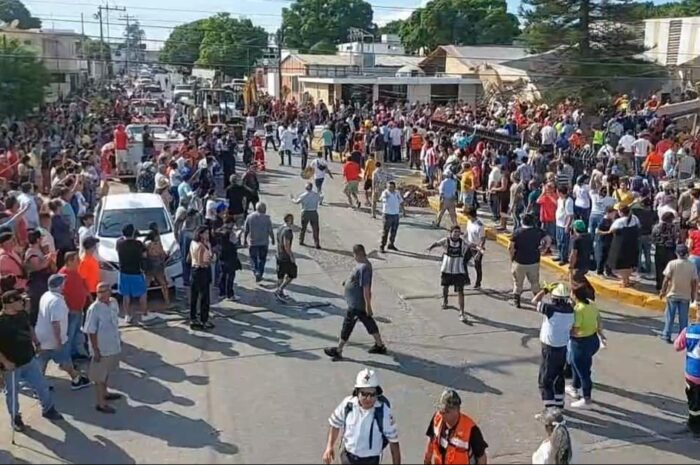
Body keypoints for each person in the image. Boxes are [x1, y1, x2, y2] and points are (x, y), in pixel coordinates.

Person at [0, 289, 63, 432]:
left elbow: (29, 328)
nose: (23, 302)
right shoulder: (1, 322)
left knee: (41, 385)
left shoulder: (22, 314)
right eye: (19, 300)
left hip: (29, 359)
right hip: (12, 366)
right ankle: (15, 418)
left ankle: (48, 409)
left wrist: (37, 342)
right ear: (9, 304)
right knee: (12, 393)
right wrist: (5, 362)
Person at [323, 368, 401, 465]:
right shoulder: (348, 405)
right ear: (357, 393)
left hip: (371, 461)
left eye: (372, 394)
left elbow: (394, 442)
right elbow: (335, 424)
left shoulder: (383, 412)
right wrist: (329, 447)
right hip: (348, 458)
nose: (368, 398)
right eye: (364, 394)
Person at [324, 244, 388, 361]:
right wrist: (347, 282)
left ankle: (338, 350)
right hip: (356, 303)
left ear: (358, 254)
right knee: (368, 322)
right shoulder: (361, 265)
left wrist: (368, 306)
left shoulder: (365, 268)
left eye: (354, 255)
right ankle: (380, 345)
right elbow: (355, 277)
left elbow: (366, 288)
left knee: (348, 325)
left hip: (357, 304)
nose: (354, 257)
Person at [35, 274, 91, 390]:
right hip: (54, 338)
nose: (64, 286)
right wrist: (59, 341)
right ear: (60, 286)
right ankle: (76, 380)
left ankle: (39, 386)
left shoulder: (45, 295)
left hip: (41, 335)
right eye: (63, 283)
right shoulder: (57, 302)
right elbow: (55, 323)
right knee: (65, 361)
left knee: (42, 360)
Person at [532, 283, 574, 412]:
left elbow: (534, 301)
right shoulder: (571, 310)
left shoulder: (550, 309)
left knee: (545, 381)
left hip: (549, 349)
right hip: (563, 348)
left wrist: (545, 290)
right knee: (558, 378)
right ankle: (559, 405)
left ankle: (551, 411)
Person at [83, 282, 122, 414]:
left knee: (107, 372)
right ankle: (101, 404)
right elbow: (91, 331)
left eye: (105, 291)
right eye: (99, 292)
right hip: (101, 348)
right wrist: (96, 350)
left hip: (113, 345)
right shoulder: (94, 309)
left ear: (110, 292)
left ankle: (105, 393)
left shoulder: (113, 303)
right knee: (99, 377)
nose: (102, 294)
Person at [424, 389, 488, 465]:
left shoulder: (471, 429)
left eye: (446, 411)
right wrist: (427, 460)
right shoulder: (437, 419)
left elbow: (481, 457)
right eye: (441, 409)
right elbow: (431, 440)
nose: (442, 413)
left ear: (457, 410)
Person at [566, 286, 604, 409]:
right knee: (576, 364)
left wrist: (565, 331)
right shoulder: (591, 304)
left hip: (580, 344)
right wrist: (601, 333)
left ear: (575, 296)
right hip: (593, 340)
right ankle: (574, 386)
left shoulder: (578, 310)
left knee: (583, 372)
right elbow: (598, 318)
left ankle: (587, 399)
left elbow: (575, 331)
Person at [427, 226, 471, 322]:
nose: (456, 234)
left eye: (458, 232)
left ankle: (462, 312)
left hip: (458, 270)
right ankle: (445, 300)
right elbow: (437, 243)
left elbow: (471, 245)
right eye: (455, 232)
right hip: (447, 268)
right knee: (445, 287)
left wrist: (479, 248)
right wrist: (430, 247)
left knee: (461, 291)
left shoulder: (462, 243)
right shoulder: (445, 241)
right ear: (450, 233)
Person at [509, 213, 551, 308]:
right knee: (535, 283)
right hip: (534, 261)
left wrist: (512, 258)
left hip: (519, 261)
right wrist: (544, 249)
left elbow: (510, 247)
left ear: (522, 221)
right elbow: (548, 239)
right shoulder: (538, 231)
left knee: (517, 283)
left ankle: (516, 301)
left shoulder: (517, 232)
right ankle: (538, 303)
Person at [660, 244, 698, 343]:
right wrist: (693, 295)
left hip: (672, 294)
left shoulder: (672, 264)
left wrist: (662, 291)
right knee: (683, 319)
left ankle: (666, 335)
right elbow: (694, 282)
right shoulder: (691, 265)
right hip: (685, 296)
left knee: (670, 316)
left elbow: (666, 279)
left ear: (676, 253)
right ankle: (682, 338)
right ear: (687, 253)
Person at [58, 251, 91, 361]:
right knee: (69, 336)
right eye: (77, 260)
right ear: (69, 261)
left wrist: (88, 297)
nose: (79, 262)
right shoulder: (63, 275)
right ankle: (67, 359)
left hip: (78, 309)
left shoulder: (75, 272)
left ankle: (76, 353)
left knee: (77, 333)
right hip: (70, 311)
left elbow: (82, 286)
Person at [116, 224, 149, 325]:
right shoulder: (138, 244)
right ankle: (144, 313)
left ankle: (127, 315)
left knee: (126, 295)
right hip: (136, 272)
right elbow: (145, 255)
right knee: (142, 293)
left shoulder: (119, 243)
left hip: (123, 272)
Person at [673, 321, 700, 436]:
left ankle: (695, 427)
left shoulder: (689, 331)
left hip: (693, 374)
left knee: (693, 402)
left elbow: (677, 346)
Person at [608, 205, 640, 287]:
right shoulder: (635, 218)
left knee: (622, 264)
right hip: (632, 243)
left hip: (621, 245)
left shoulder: (619, 221)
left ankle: (624, 281)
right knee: (629, 262)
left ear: (621, 212)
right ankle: (627, 279)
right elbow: (639, 226)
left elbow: (611, 230)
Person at [243, 202, 275, 282]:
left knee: (253, 258)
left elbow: (246, 230)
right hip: (264, 242)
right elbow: (270, 230)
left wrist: (244, 240)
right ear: (263, 209)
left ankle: (256, 271)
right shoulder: (267, 218)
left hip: (253, 242)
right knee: (262, 259)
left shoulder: (249, 217)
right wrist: (273, 239)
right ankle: (260, 273)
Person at [189, 226, 213, 330]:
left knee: (194, 295)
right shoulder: (200, 246)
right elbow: (201, 262)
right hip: (201, 271)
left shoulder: (193, 243)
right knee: (204, 296)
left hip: (194, 270)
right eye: (206, 233)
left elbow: (189, 257)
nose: (208, 235)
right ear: (201, 234)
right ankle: (204, 319)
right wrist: (210, 259)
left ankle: (193, 317)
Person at [652, 211, 680, 291]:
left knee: (659, 268)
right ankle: (668, 286)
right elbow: (676, 237)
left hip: (659, 249)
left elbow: (653, 237)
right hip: (670, 249)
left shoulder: (656, 227)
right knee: (669, 269)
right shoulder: (674, 227)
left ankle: (659, 285)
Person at [144, 223, 170, 306]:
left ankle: (144, 302)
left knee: (146, 285)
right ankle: (167, 301)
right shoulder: (157, 244)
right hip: (158, 265)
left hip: (149, 265)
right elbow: (162, 253)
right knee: (163, 284)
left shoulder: (146, 244)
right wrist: (166, 254)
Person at [291, 182, 321, 249]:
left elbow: (296, 202)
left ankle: (301, 241)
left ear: (306, 188)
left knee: (303, 228)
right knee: (315, 229)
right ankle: (317, 243)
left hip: (305, 212)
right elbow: (320, 199)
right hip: (314, 212)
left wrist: (292, 199)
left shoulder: (303, 195)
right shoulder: (316, 195)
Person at [275, 213, 297, 302]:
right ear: (289, 220)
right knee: (292, 274)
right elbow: (286, 245)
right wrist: (291, 256)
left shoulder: (280, 228)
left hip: (279, 254)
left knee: (280, 275)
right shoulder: (288, 231)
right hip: (285, 256)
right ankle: (279, 290)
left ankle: (279, 291)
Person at [379, 181, 404, 253]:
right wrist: (385, 197)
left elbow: (401, 201)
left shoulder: (397, 193)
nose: (390, 188)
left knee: (394, 231)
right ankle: (382, 246)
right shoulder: (385, 193)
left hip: (396, 215)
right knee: (385, 231)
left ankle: (391, 244)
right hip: (387, 215)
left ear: (394, 187)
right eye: (389, 187)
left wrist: (403, 211)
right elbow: (382, 199)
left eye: (392, 187)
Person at [555, 186, 574, 265]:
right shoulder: (559, 200)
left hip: (564, 225)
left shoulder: (568, 201)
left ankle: (564, 258)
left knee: (564, 242)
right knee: (558, 241)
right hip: (558, 223)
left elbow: (570, 215)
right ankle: (560, 255)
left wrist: (567, 225)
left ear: (560, 192)